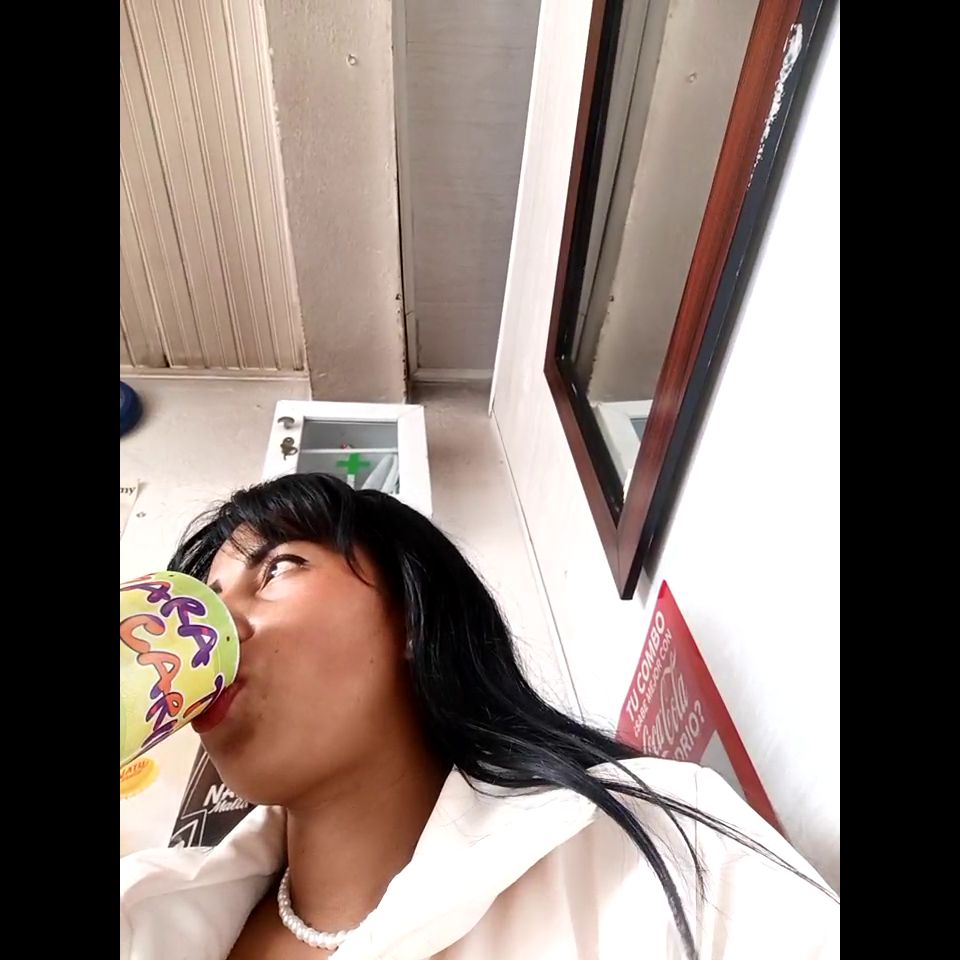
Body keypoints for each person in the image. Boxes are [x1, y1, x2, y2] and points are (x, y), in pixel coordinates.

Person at [120, 473, 838, 959]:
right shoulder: (142, 913)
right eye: (203, 600)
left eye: (277, 567)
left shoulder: (659, 843)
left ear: (412, 613)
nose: (216, 630)